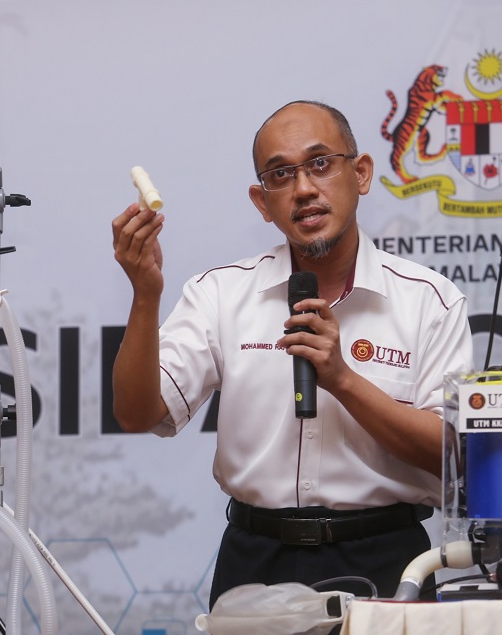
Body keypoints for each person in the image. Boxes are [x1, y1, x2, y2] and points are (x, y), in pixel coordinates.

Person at [110, 100, 474, 606]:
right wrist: (145, 293)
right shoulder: (221, 293)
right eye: (281, 175)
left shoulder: (427, 300)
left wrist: (342, 378)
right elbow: (137, 414)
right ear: (262, 202)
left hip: (387, 557)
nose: (304, 189)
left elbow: (454, 456)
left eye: (321, 164)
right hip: (256, 559)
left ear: (362, 173)